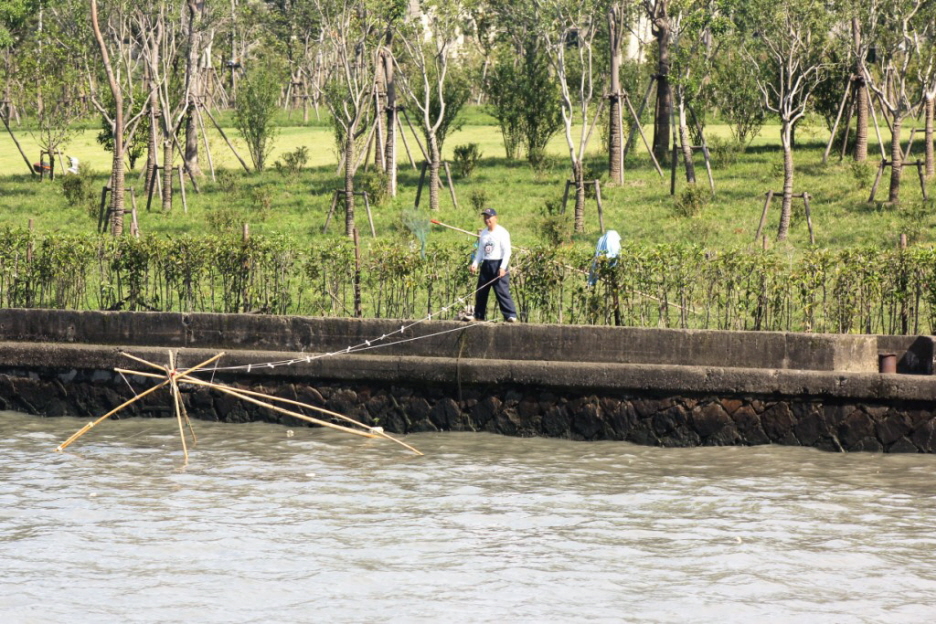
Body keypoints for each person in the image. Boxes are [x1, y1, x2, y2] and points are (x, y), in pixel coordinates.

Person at [469, 208, 518, 322]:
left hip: (499, 263)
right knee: (481, 291)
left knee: (501, 291)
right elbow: (481, 251)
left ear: (495, 218)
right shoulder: (484, 233)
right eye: (485, 217)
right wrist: (475, 263)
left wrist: (502, 267)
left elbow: (507, 251)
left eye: (489, 217)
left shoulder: (502, 232)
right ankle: (479, 315)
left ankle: (510, 314)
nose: (487, 220)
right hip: (487, 263)